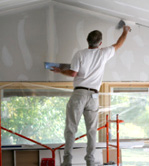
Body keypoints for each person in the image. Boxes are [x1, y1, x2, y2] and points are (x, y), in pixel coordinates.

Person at [51, 25, 131, 166]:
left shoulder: (80, 54)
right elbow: (119, 43)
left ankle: (67, 161)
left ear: (87, 41)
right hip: (94, 96)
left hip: (79, 94)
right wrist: (125, 30)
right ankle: (90, 161)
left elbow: (73, 73)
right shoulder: (104, 53)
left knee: (71, 128)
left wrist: (59, 71)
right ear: (100, 43)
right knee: (92, 131)